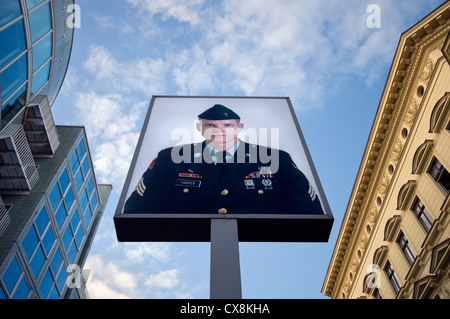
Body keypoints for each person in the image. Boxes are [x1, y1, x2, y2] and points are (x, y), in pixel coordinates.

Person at [123, 104, 323, 215]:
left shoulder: (275, 159)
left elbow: (308, 212)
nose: (219, 132)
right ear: (199, 129)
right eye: (211, 126)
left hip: (263, 255)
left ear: (239, 128)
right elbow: (136, 211)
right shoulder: (170, 158)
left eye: (227, 126)